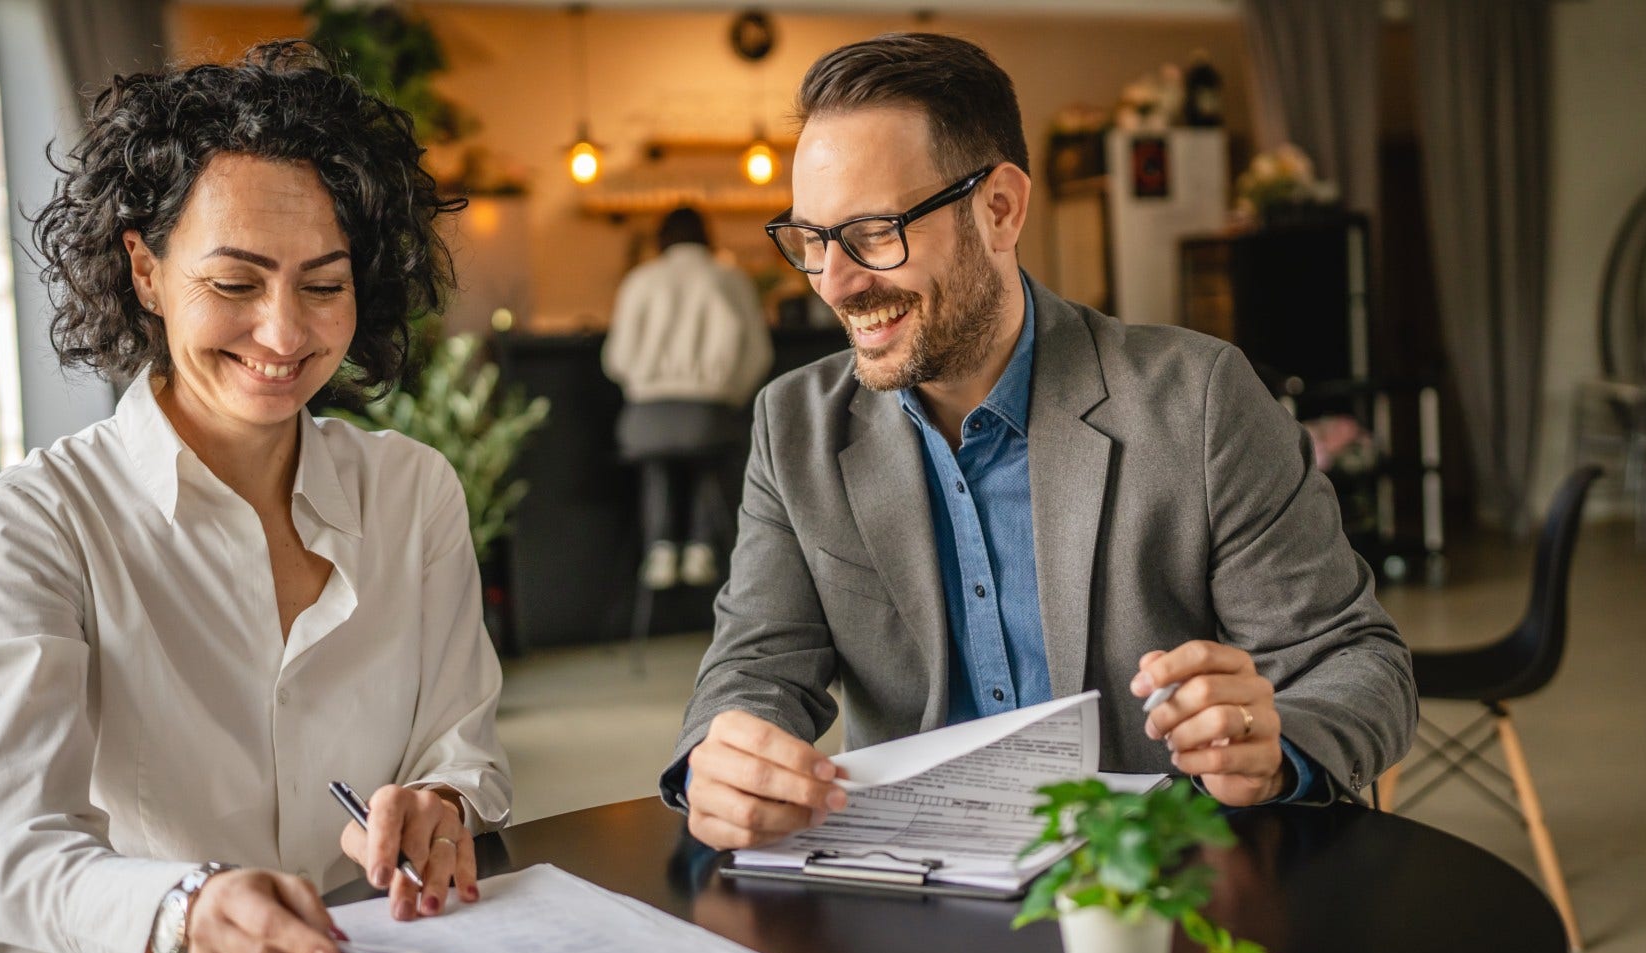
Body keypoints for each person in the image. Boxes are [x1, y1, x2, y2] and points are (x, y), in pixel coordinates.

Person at [662, 33, 1417, 851]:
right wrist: (720, 755)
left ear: (1000, 209)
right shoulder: (794, 425)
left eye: (874, 233)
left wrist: (1279, 747)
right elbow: (756, 666)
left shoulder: (1198, 399)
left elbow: (1358, 665)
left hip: (1156, 898)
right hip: (915, 894)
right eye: (812, 241)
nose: (835, 285)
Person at [0, 42, 511, 953]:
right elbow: (6, 866)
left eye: (322, 285)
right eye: (235, 282)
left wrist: (443, 803)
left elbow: (461, 747)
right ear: (146, 271)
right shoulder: (37, 520)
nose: (283, 332)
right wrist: (185, 913)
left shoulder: (410, 490)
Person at [602, 206, 773, 589]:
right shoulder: (730, 279)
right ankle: (702, 546)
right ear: (706, 234)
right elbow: (759, 355)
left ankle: (660, 547)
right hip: (709, 415)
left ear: (661, 237)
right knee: (706, 449)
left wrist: (646, 384)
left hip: (645, 420)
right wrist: (728, 394)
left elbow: (616, 360)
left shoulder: (640, 281)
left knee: (662, 456)